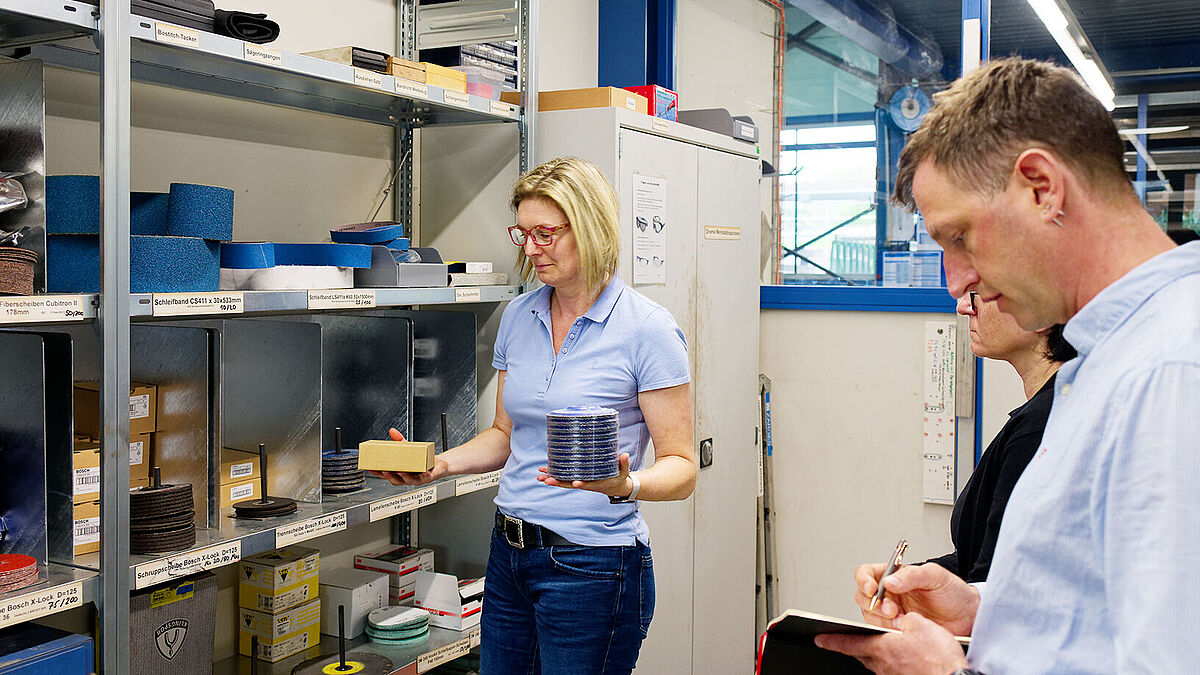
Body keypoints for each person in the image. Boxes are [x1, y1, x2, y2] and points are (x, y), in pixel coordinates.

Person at [814, 57, 1200, 674]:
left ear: (1042, 188)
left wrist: (946, 673)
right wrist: (980, 610)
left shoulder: (1171, 371)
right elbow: (1099, 609)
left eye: (960, 237)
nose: (955, 281)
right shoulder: (1104, 357)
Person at [372, 157, 697, 675]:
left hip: (593, 565)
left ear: (590, 227)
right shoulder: (520, 316)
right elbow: (505, 434)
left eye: (545, 233)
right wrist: (439, 466)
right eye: (521, 233)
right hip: (509, 552)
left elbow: (682, 468)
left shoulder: (648, 330)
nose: (529, 249)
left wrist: (622, 484)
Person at [924, 293, 1075, 583]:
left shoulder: (1040, 427)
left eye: (979, 291)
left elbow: (995, 584)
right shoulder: (1048, 409)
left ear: (1041, 312)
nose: (964, 307)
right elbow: (978, 556)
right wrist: (912, 580)